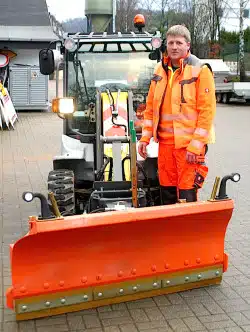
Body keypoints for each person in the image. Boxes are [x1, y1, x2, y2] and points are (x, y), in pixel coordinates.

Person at [138, 24, 216, 204]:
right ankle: (171, 231)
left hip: (188, 148)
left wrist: (196, 146)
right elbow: (150, 108)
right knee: (167, 193)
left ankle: (188, 231)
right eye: (171, 42)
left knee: (186, 195)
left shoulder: (200, 70)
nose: (174, 47)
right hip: (165, 146)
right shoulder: (159, 70)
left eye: (179, 43)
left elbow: (206, 112)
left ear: (188, 45)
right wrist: (145, 138)